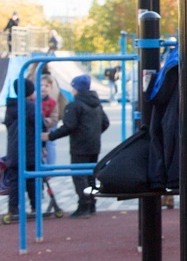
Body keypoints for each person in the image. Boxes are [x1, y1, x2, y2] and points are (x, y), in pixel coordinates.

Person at [43, 75, 109, 217]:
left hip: (79, 145)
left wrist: (50, 136)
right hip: (94, 144)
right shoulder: (97, 104)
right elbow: (105, 123)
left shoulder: (74, 105)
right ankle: (91, 203)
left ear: (76, 88)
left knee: (79, 175)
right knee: (91, 174)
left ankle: (83, 205)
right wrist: (94, 133)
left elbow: (69, 126)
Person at [4, 79, 41, 218]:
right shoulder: (31, 107)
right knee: (32, 179)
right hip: (29, 148)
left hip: (14, 149)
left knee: (15, 180)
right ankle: (35, 206)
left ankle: (13, 208)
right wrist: (43, 146)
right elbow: (40, 126)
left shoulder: (11, 107)